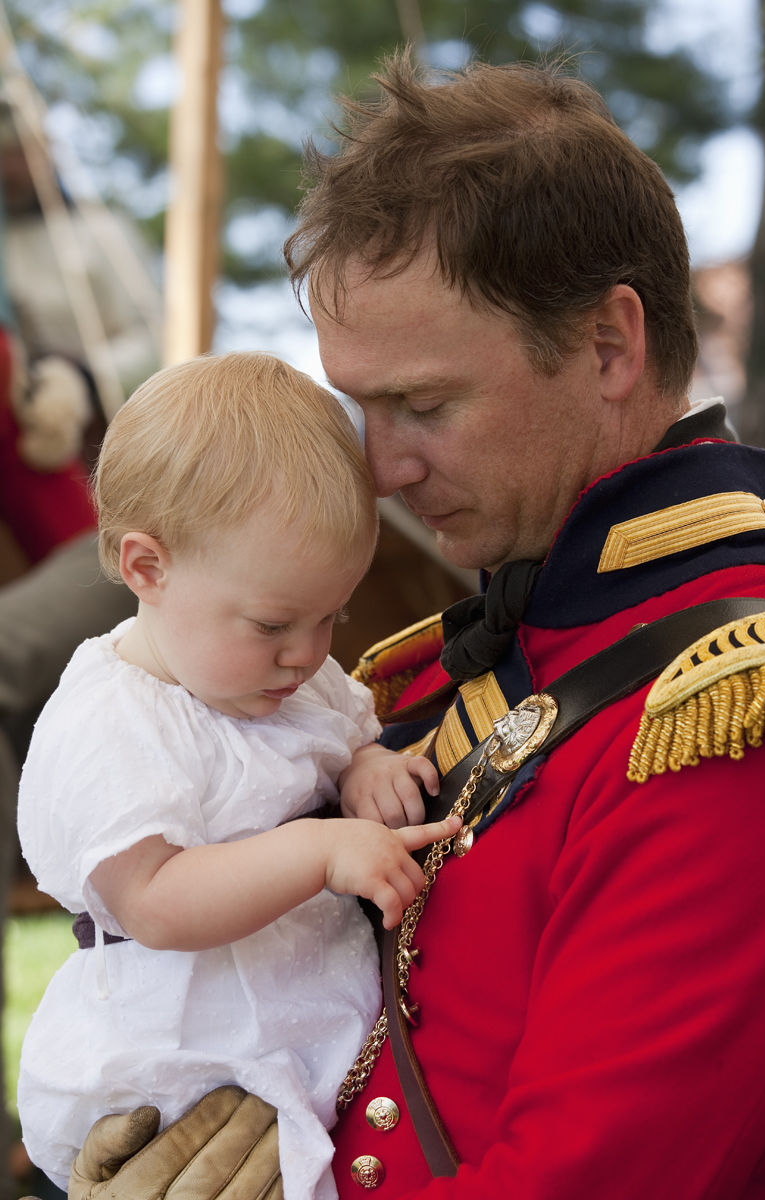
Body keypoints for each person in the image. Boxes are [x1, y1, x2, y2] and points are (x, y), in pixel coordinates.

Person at [59, 51, 765, 1200]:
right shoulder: (463, 662)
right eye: (360, 405)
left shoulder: (725, 713)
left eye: (423, 404)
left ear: (608, 345)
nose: (383, 466)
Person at [15, 350, 459, 1199]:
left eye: (333, 615)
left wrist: (367, 767)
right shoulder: (115, 721)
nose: (308, 653)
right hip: (187, 1055)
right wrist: (321, 853)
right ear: (148, 568)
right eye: (274, 622)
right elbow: (157, 900)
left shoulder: (286, 678)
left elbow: (340, 741)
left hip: (303, 1026)